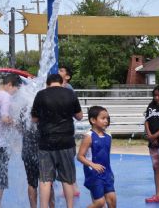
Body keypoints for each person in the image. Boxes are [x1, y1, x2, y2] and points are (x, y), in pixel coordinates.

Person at [31, 74, 83, 208]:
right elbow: (79, 116)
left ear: (47, 83)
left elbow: (34, 119)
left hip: (45, 142)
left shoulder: (40, 95)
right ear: (61, 83)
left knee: (45, 179)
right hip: (66, 141)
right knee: (67, 179)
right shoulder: (70, 93)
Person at [0, 74, 22, 208]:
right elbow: (4, 118)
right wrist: (18, 125)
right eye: (15, 90)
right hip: (0, 143)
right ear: (10, 85)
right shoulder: (6, 96)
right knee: (0, 179)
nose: (14, 94)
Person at [77, 106, 116, 208]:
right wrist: (92, 165)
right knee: (99, 203)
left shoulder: (108, 137)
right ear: (93, 120)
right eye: (103, 118)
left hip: (106, 173)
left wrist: (110, 173)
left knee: (112, 199)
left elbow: (105, 157)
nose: (106, 121)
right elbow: (80, 156)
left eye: (107, 118)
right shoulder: (88, 136)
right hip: (93, 173)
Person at [19, 108, 55, 208]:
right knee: (48, 182)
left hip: (27, 151)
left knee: (31, 182)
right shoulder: (43, 110)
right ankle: (51, 206)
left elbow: (20, 128)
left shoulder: (24, 110)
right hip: (43, 150)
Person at [58, 65, 81, 196]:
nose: (58, 72)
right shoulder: (59, 88)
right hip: (62, 128)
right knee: (64, 159)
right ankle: (71, 186)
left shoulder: (68, 89)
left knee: (67, 158)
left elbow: (75, 112)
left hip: (65, 129)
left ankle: (71, 186)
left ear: (67, 76)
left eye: (61, 71)